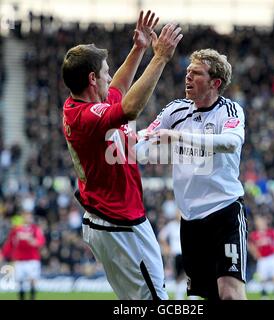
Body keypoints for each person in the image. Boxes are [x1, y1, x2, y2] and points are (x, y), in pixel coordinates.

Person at [61, 10, 183, 300]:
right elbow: (129, 108)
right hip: (121, 224)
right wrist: (159, 57)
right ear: (92, 79)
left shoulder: (85, 105)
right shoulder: (87, 117)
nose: (109, 77)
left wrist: (139, 48)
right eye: (105, 72)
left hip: (107, 221)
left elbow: (117, 90)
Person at [137, 48, 247, 300]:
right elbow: (146, 138)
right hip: (190, 220)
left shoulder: (229, 111)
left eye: (196, 73)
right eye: (187, 71)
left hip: (225, 212)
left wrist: (178, 137)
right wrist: (122, 140)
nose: (187, 77)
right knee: (202, 296)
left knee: (230, 294)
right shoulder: (175, 110)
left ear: (215, 82)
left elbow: (230, 142)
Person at [0, 210, 46, 300]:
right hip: (19, 259)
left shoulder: (35, 229)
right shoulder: (16, 230)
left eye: (29, 216)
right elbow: (9, 244)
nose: (27, 218)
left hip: (32, 259)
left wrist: (33, 241)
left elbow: (41, 241)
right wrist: (3, 254)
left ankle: (32, 297)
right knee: (20, 281)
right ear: (22, 217)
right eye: (25, 216)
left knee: (33, 280)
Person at [248, 215, 274, 299]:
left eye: (261, 222)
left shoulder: (272, 232)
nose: (260, 224)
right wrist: (255, 253)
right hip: (262, 258)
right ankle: (264, 292)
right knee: (262, 276)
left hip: (273, 256)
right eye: (258, 222)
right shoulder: (254, 234)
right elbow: (250, 245)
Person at [158, 209, 186, 300]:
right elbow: (161, 237)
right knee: (178, 277)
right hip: (177, 254)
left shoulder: (186, 224)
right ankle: (179, 297)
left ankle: (193, 298)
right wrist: (168, 248)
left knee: (189, 276)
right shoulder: (171, 226)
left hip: (186, 253)